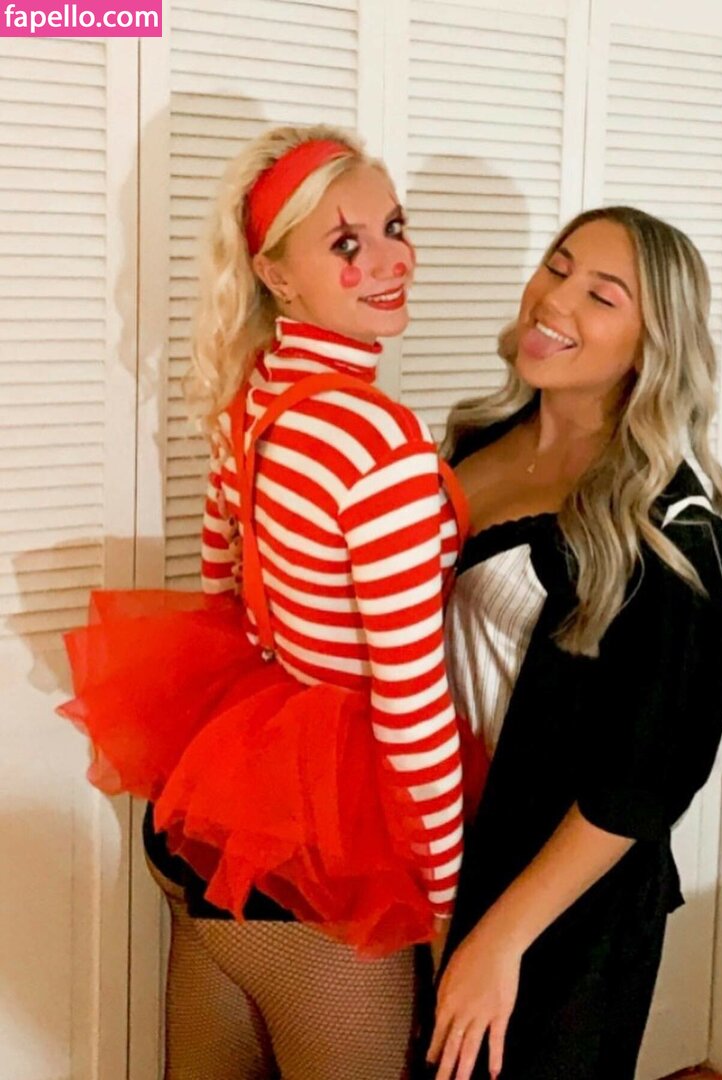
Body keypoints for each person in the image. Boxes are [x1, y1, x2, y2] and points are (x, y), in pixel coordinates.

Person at [58, 124, 486, 1080]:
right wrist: (448, 904)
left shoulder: (252, 398)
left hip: (212, 816)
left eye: (394, 227)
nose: (391, 260)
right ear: (276, 275)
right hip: (320, 855)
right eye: (345, 243)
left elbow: (224, 594)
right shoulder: (377, 443)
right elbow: (411, 698)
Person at [426, 206, 722, 1080]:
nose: (554, 300)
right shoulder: (477, 439)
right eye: (556, 268)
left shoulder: (669, 523)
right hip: (446, 846)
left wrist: (501, 939)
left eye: (601, 295)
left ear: (652, 346)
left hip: (563, 904)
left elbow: (651, 773)